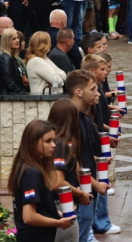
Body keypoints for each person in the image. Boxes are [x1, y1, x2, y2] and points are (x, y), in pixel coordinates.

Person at [7, 119, 76, 242]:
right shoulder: (32, 173)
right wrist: (59, 223)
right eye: (48, 141)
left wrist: (56, 213)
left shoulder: (26, 167)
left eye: (53, 140)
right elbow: (29, 216)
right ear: (33, 143)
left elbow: (38, 208)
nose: (54, 145)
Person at [65, 70, 110, 242]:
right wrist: (96, 184)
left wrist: (99, 161)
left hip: (87, 192)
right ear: (79, 92)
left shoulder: (84, 119)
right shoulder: (69, 120)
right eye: (93, 89)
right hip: (77, 193)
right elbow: (72, 160)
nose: (98, 93)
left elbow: (85, 154)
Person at [47, 99, 94, 242]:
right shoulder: (59, 144)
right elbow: (58, 182)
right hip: (62, 204)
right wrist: (81, 194)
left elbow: (74, 167)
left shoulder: (62, 142)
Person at [0, 28, 25, 94]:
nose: (17, 40)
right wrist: (22, 93)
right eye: (13, 39)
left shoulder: (11, 57)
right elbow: (10, 82)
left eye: (17, 38)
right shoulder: (5, 58)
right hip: (8, 98)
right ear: (7, 41)